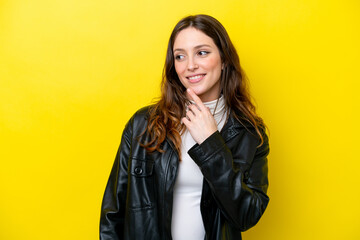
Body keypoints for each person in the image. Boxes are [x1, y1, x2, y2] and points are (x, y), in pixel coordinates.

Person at [100, 14, 270, 240]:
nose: (190, 65)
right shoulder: (143, 125)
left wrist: (211, 144)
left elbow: (246, 215)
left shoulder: (249, 133)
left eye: (202, 52)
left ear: (224, 59)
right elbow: (113, 213)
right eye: (180, 56)